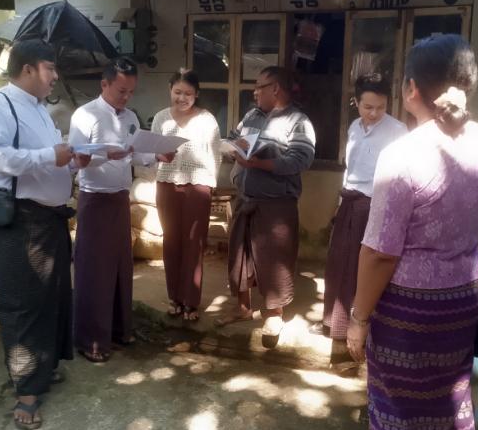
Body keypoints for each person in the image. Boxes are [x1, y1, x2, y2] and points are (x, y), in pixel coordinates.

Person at [347, 35, 478, 430]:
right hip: (462, 300)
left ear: (411, 88)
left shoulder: (403, 155)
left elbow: (379, 253)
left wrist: (358, 319)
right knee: (451, 406)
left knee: (400, 415)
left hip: (407, 314)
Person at [0, 39, 86, 430]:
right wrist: (49, 156)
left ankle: (44, 367)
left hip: (49, 220)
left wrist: (73, 161)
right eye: (50, 68)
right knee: (22, 305)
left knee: (52, 298)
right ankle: (26, 392)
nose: (55, 76)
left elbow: (47, 162)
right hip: (20, 221)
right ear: (28, 69)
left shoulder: (39, 110)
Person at [68, 57, 172, 364]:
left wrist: (157, 156)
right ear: (105, 84)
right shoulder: (85, 115)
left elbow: (134, 154)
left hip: (119, 199)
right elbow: (76, 159)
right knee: (93, 270)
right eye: (121, 91)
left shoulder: (130, 118)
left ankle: (118, 329)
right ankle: (91, 339)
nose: (126, 97)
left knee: (119, 266)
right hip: (94, 199)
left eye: (131, 92)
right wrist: (105, 156)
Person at [217, 66, 316, 347]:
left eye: (260, 86)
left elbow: (300, 159)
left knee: (274, 260)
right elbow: (234, 138)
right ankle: (242, 307)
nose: (255, 92)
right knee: (241, 256)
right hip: (246, 198)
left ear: (276, 89)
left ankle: (274, 314)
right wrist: (232, 148)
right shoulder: (252, 115)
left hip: (276, 205)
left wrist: (259, 163)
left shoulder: (298, 122)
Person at [313, 73, 406, 351]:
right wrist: (339, 202)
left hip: (377, 206)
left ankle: (364, 327)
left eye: (381, 107)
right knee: (339, 264)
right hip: (350, 201)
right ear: (356, 102)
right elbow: (350, 168)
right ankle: (334, 322)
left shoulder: (398, 131)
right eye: (368, 107)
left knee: (364, 269)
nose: (374, 113)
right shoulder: (354, 127)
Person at [151, 69, 222, 322]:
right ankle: (175, 299)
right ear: (170, 90)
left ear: (197, 94)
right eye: (177, 92)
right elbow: (154, 151)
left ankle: (191, 302)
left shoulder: (207, 120)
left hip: (198, 186)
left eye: (188, 93)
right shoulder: (161, 118)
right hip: (166, 184)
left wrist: (210, 184)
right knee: (171, 241)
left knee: (194, 243)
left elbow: (215, 154)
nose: (182, 98)